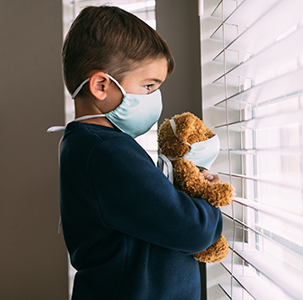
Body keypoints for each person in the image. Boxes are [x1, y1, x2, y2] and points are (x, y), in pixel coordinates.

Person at [59, 6, 223, 300]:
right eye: (148, 86)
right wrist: (206, 195)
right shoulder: (106, 151)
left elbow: (150, 211)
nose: (154, 98)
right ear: (101, 85)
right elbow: (194, 231)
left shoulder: (87, 145)